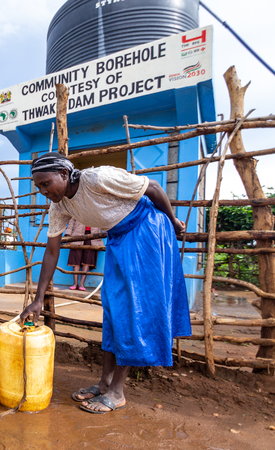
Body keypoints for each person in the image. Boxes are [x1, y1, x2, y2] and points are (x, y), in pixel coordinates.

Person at [19, 153, 191, 414]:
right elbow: (52, 251)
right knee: (112, 309)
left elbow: (153, 188)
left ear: (64, 174)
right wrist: (37, 299)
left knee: (130, 310)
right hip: (119, 238)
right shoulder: (60, 206)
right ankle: (105, 382)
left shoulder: (98, 178)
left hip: (146, 230)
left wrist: (173, 221)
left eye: (46, 183)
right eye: (39, 187)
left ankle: (118, 392)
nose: (44, 191)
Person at [63, 217, 102, 290]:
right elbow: (71, 222)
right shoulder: (77, 207)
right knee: (76, 258)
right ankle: (75, 283)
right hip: (77, 234)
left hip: (93, 236)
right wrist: (68, 235)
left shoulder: (96, 207)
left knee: (88, 259)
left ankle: (81, 284)